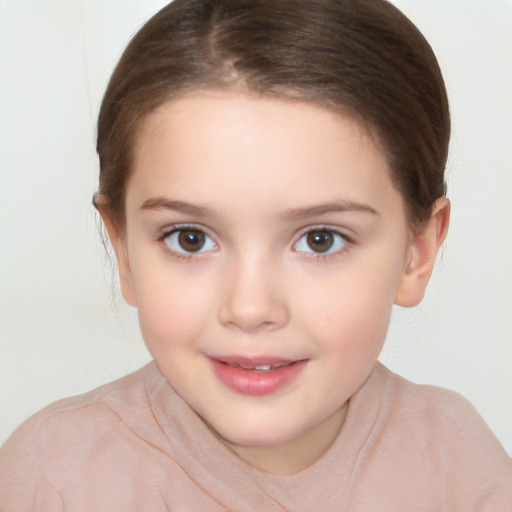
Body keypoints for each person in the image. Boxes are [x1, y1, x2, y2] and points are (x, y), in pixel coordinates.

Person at [1, 0, 510, 510]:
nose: (249, 308)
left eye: (320, 240)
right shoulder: (49, 480)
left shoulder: (460, 469)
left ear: (416, 253)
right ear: (125, 251)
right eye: (190, 238)